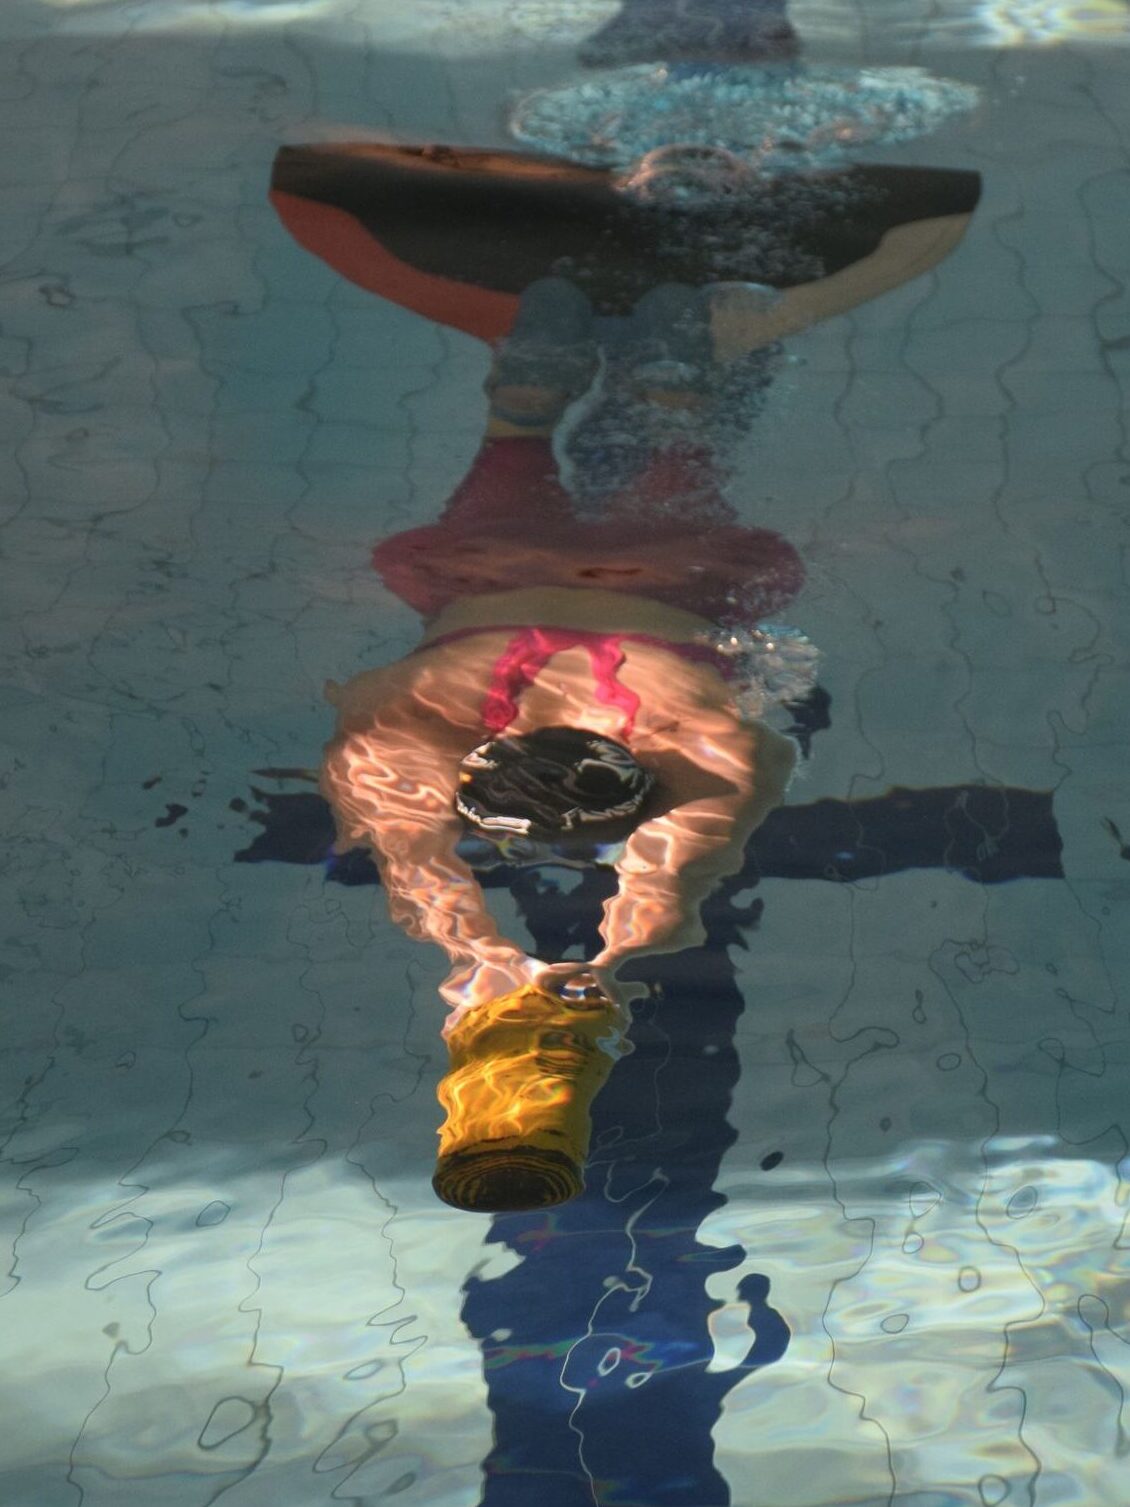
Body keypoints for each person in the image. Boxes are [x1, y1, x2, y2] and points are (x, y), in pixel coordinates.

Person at [318, 277, 805, 1211]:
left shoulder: (692, 735)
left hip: (663, 579)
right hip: (493, 578)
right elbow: (409, 850)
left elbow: (678, 867)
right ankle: (523, 408)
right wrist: (471, 956)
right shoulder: (417, 716)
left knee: (677, 469)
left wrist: (612, 963)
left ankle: (671, 396)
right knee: (507, 476)